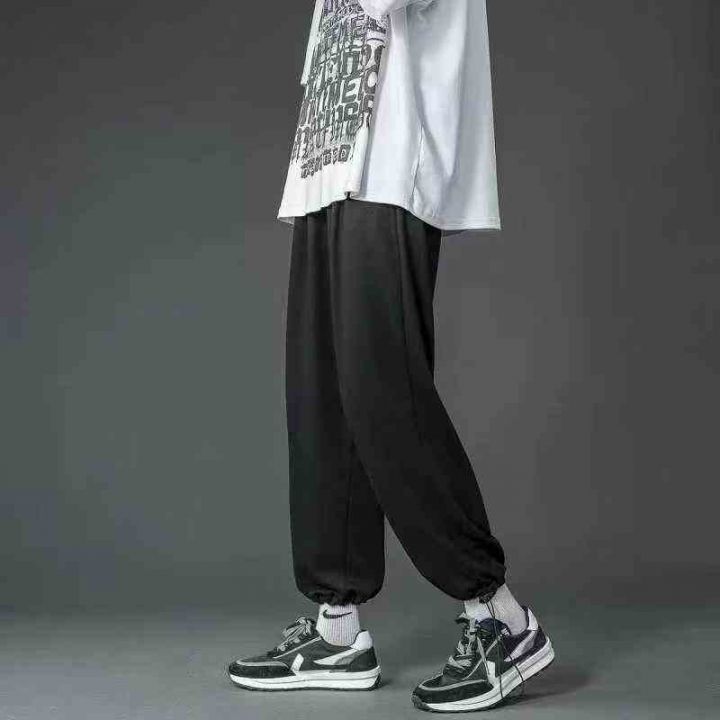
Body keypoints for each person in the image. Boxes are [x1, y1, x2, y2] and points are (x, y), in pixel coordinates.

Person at [228, 0, 555, 711]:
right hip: (330, 162)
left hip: (393, 165)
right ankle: (338, 630)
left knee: (384, 392)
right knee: (322, 395)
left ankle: (501, 618)